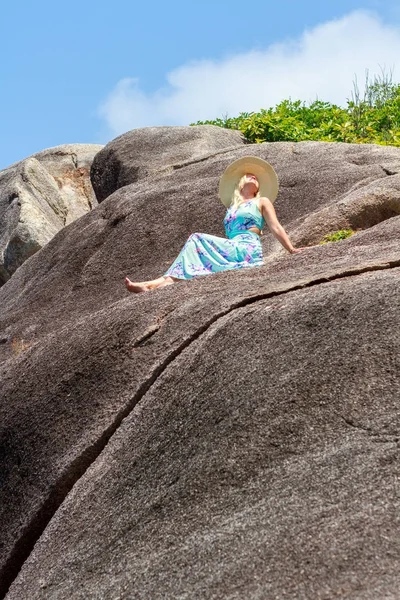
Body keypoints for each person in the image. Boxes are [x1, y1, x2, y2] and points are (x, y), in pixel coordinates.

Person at [125, 156, 304, 293]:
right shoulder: (232, 208)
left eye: (256, 178)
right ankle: (156, 284)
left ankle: (154, 284)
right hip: (233, 247)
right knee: (194, 251)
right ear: (240, 183)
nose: (253, 177)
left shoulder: (262, 201)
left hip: (247, 248)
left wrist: (291, 249)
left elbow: (275, 226)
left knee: (196, 239)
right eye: (249, 175)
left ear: (258, 188)